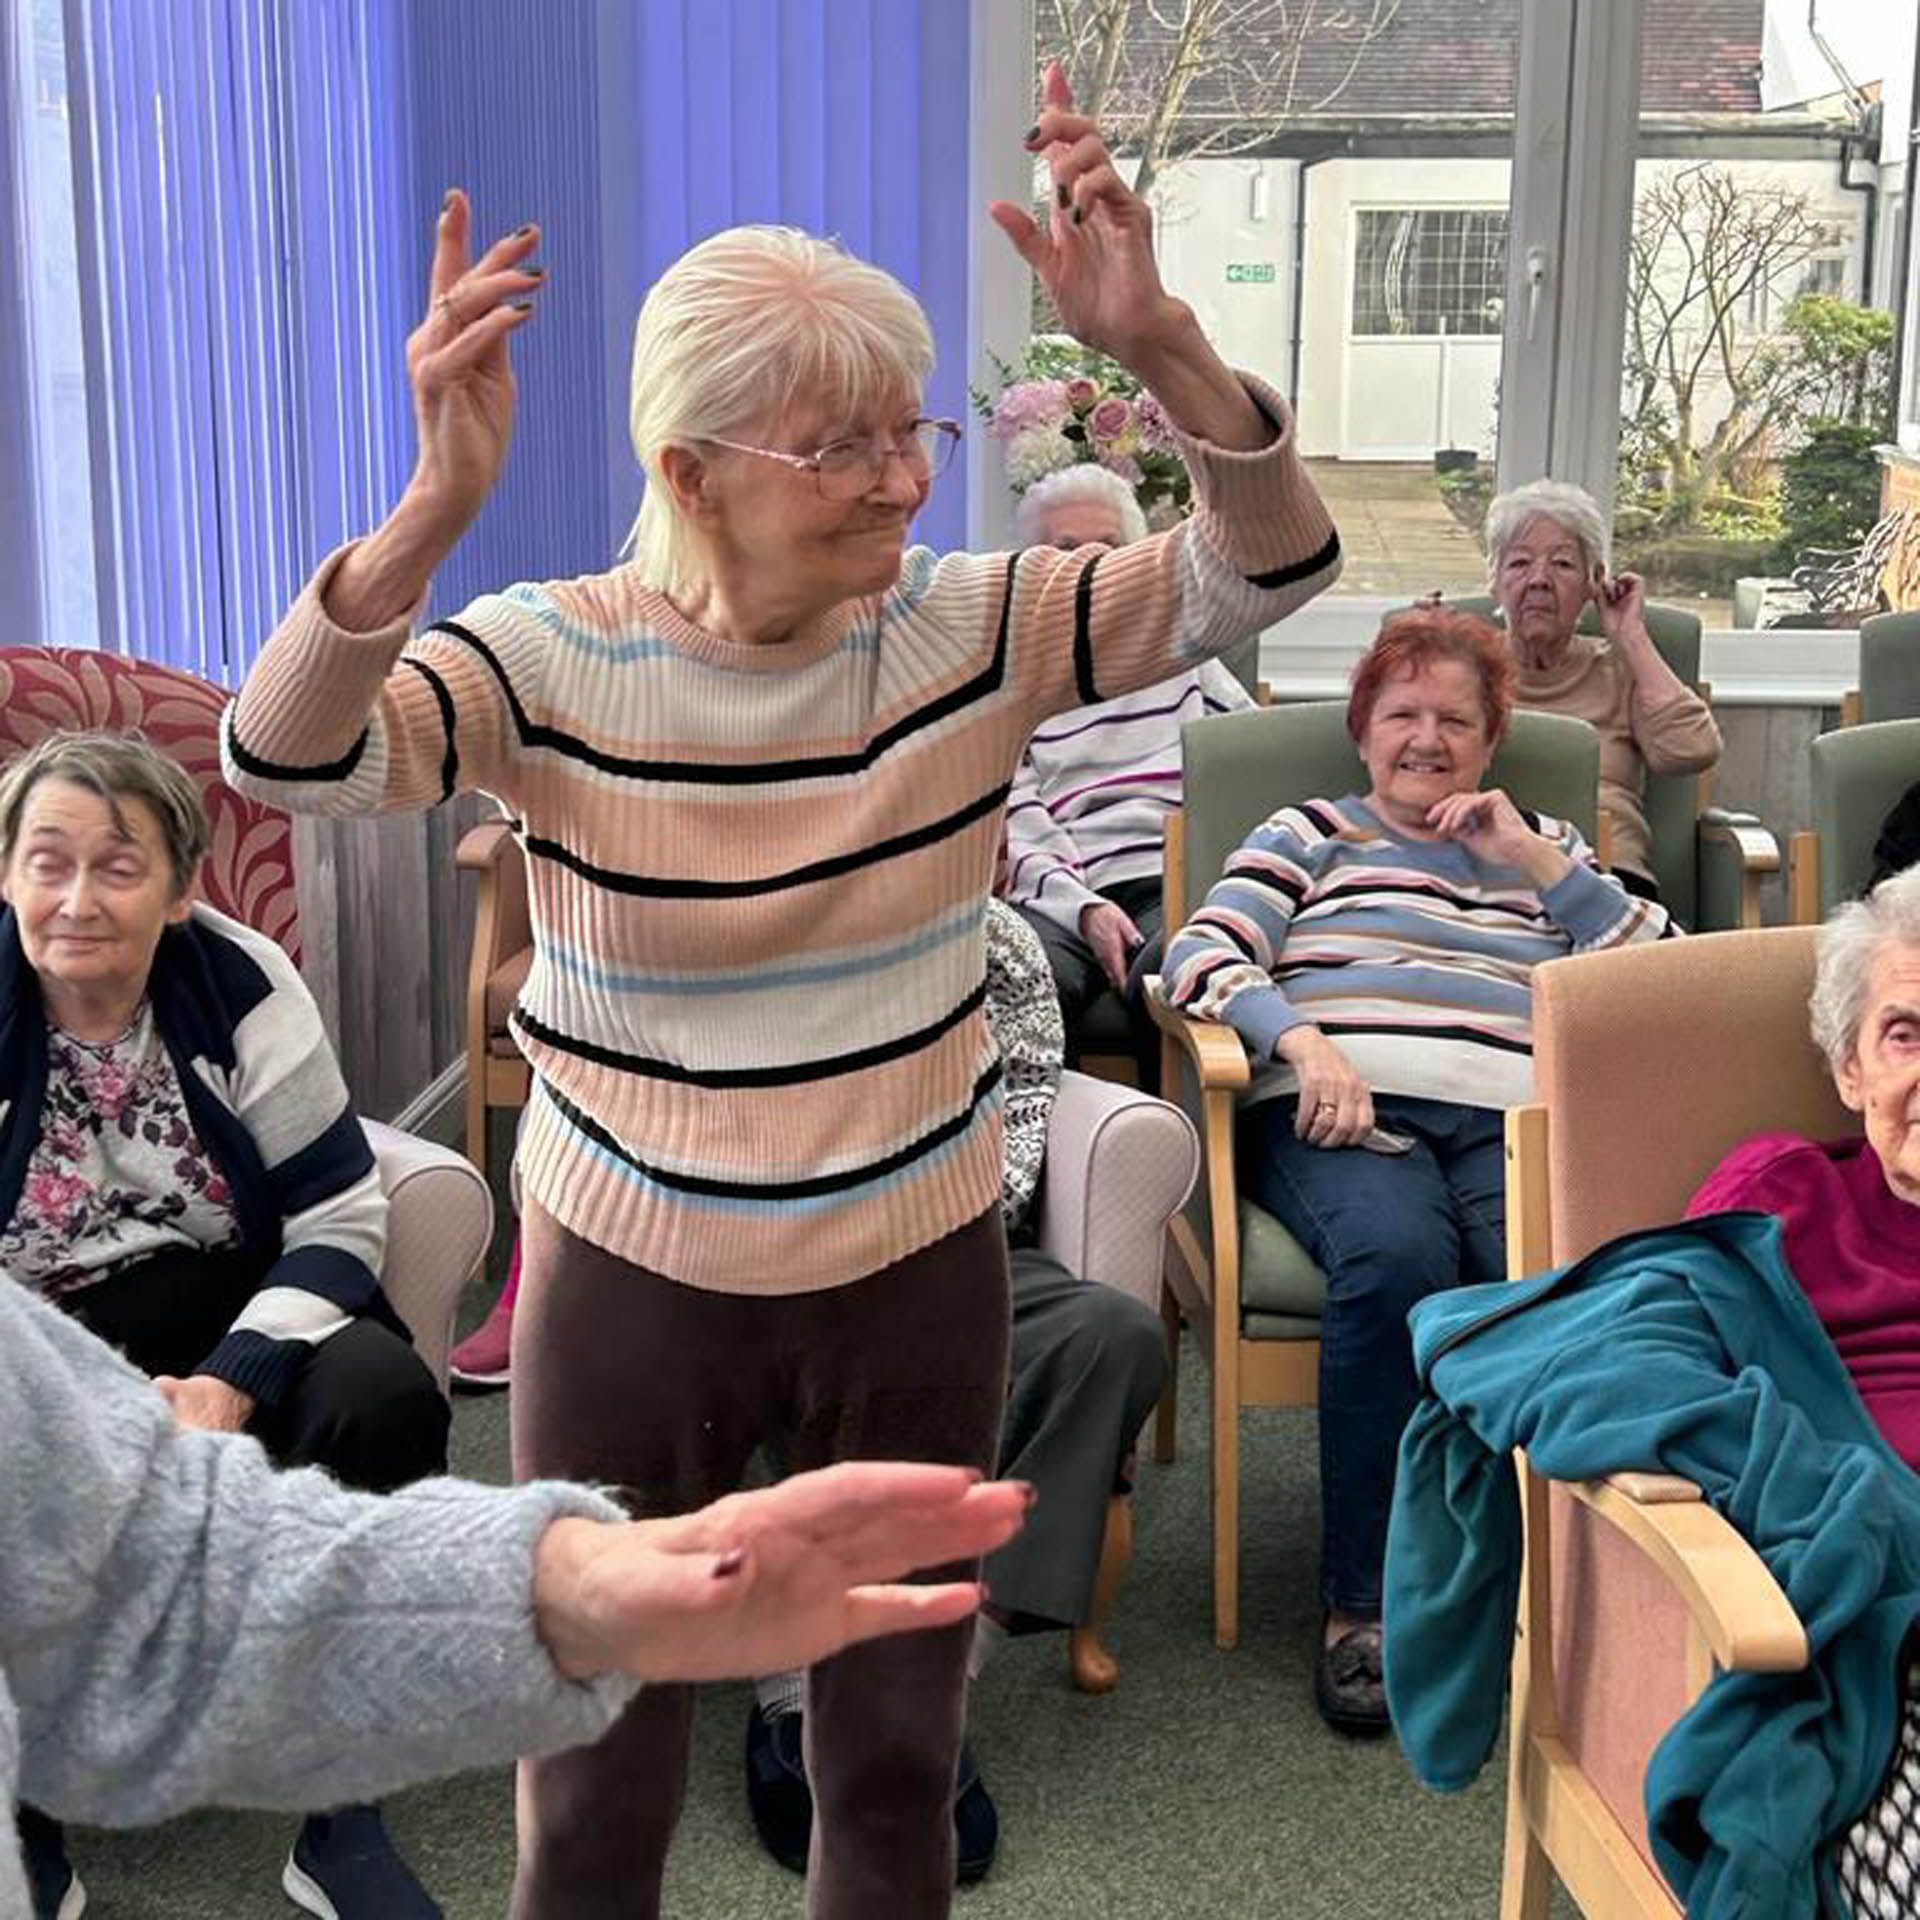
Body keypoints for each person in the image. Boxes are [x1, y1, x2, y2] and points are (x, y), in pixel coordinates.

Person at [220, 62, 1340, 1919]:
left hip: (912, 1275)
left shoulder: (974, 627)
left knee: (890, 1770)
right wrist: (428, 509)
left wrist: (1162, 341)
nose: (903, 476)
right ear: (691, 473)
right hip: (628, 1282)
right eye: (843, 449)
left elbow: (1268, 561)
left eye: (913, 431)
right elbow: (285, 756)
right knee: (595, 1787)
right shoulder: (547, 658)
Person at [0, 1266, 1029, 1920]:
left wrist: (562, 1593)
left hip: (909, 1217)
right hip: (628, 1216)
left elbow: (164, 1576)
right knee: (589, 1817)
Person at [1162, 606, 1673, 1735]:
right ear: (1363, 730)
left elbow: (1661, 978)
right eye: (1402, 715)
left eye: (1456, 720)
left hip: (1507, 1118)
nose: (1427, 740)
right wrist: (1301, 1042)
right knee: (1396, 1259)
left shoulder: (1547, 850)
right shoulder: (1310, 832)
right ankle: (1367, 1605)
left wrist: (1535, 862)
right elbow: (1200, 951)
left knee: (1543, 1280)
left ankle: (1539, 1585)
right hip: (1345, 1102)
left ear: (1492, 740)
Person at [0, 730, 451, 1918]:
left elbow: (340, 1210)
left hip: (232, 1291)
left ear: (179, 889)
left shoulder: (236, 980)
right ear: (6, 873)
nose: (77, 900)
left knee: (383, 1400)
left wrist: (231, 1378)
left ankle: (341, 1799)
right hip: (37, 1326)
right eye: (47, 861)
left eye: (119, 866)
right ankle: (27, 1817)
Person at [744, 899, 1168, 1880]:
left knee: (1113, 1337)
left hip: (961, 1247)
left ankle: (928, 1673)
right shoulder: (769, 912)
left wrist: (935, 1241)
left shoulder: (1001, 944)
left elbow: (1022, 1124)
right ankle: (791, 1687)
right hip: (776, 1246)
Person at [1682, 863, 1920, 1917]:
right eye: (1906, 1035)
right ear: (1849, 1069)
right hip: (1878, 1636)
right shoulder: (1783, 1198)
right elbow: (1659, 1370)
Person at [1003, 464, 1256, 1090]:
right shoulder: (1014, 680)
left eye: (1109, 546)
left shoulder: (1185, 658)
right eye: (1067, 547)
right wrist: (1084, 909)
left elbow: (1251, 762)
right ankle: (1044, 1150)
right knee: (1024, 981)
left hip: (1176, 877)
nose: (1091, 562)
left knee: (1179, 966)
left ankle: (1165, 1145)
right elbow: (1015, 824)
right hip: (1065, 888)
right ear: (1034, 566)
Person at [1482, 478, 1721, 902]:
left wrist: (1630, 635)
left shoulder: (1619, 669)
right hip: (1492, 881)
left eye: (1562, 564)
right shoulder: (1464, 670)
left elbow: (1693, 750)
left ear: (1595, 582)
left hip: (1610, 877)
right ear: (1494, 580)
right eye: (1519, 563)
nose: (1539, 579)